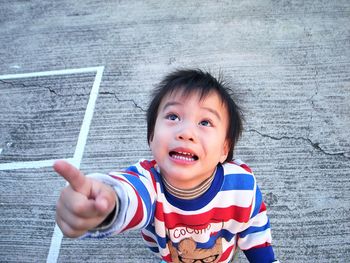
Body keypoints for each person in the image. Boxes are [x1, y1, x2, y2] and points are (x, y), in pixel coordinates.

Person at [54, 69, 279, 263]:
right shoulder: (148, 182)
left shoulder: (242, 185)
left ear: (224, 149)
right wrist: (107, 204)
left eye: (205, 122)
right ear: (151, 136)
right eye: (173, 117)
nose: (186, 133)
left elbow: (255, 226)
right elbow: (130, 195)